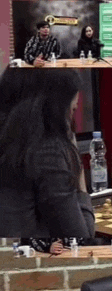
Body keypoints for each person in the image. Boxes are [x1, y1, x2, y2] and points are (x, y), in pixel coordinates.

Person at [0, 68, 95, 238]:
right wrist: (78, 176)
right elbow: (82, 241)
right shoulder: (47, 152)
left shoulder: (12, 145)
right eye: (72, 111)